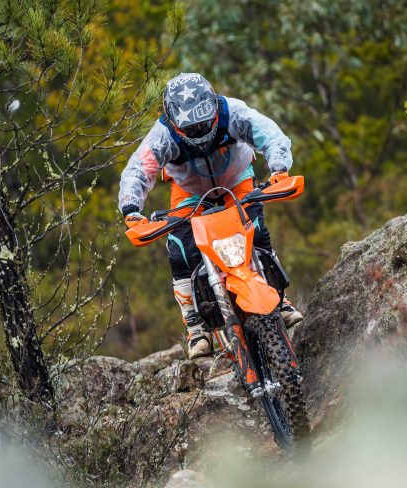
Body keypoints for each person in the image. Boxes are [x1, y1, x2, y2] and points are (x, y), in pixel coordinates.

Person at [118, 72, 303, 359]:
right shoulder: (163, 134)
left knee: (256, 233)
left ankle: (279, 301)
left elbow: (269, 133)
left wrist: (279, 168)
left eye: (204, 123)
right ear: (174, 122)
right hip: (190, 193)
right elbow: (138, 169)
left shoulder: (232, 112)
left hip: (237, 180)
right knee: (181, 251)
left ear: (214, 107)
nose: (199, 130)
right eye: (191, 127)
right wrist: (131, 209)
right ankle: (195, 327)